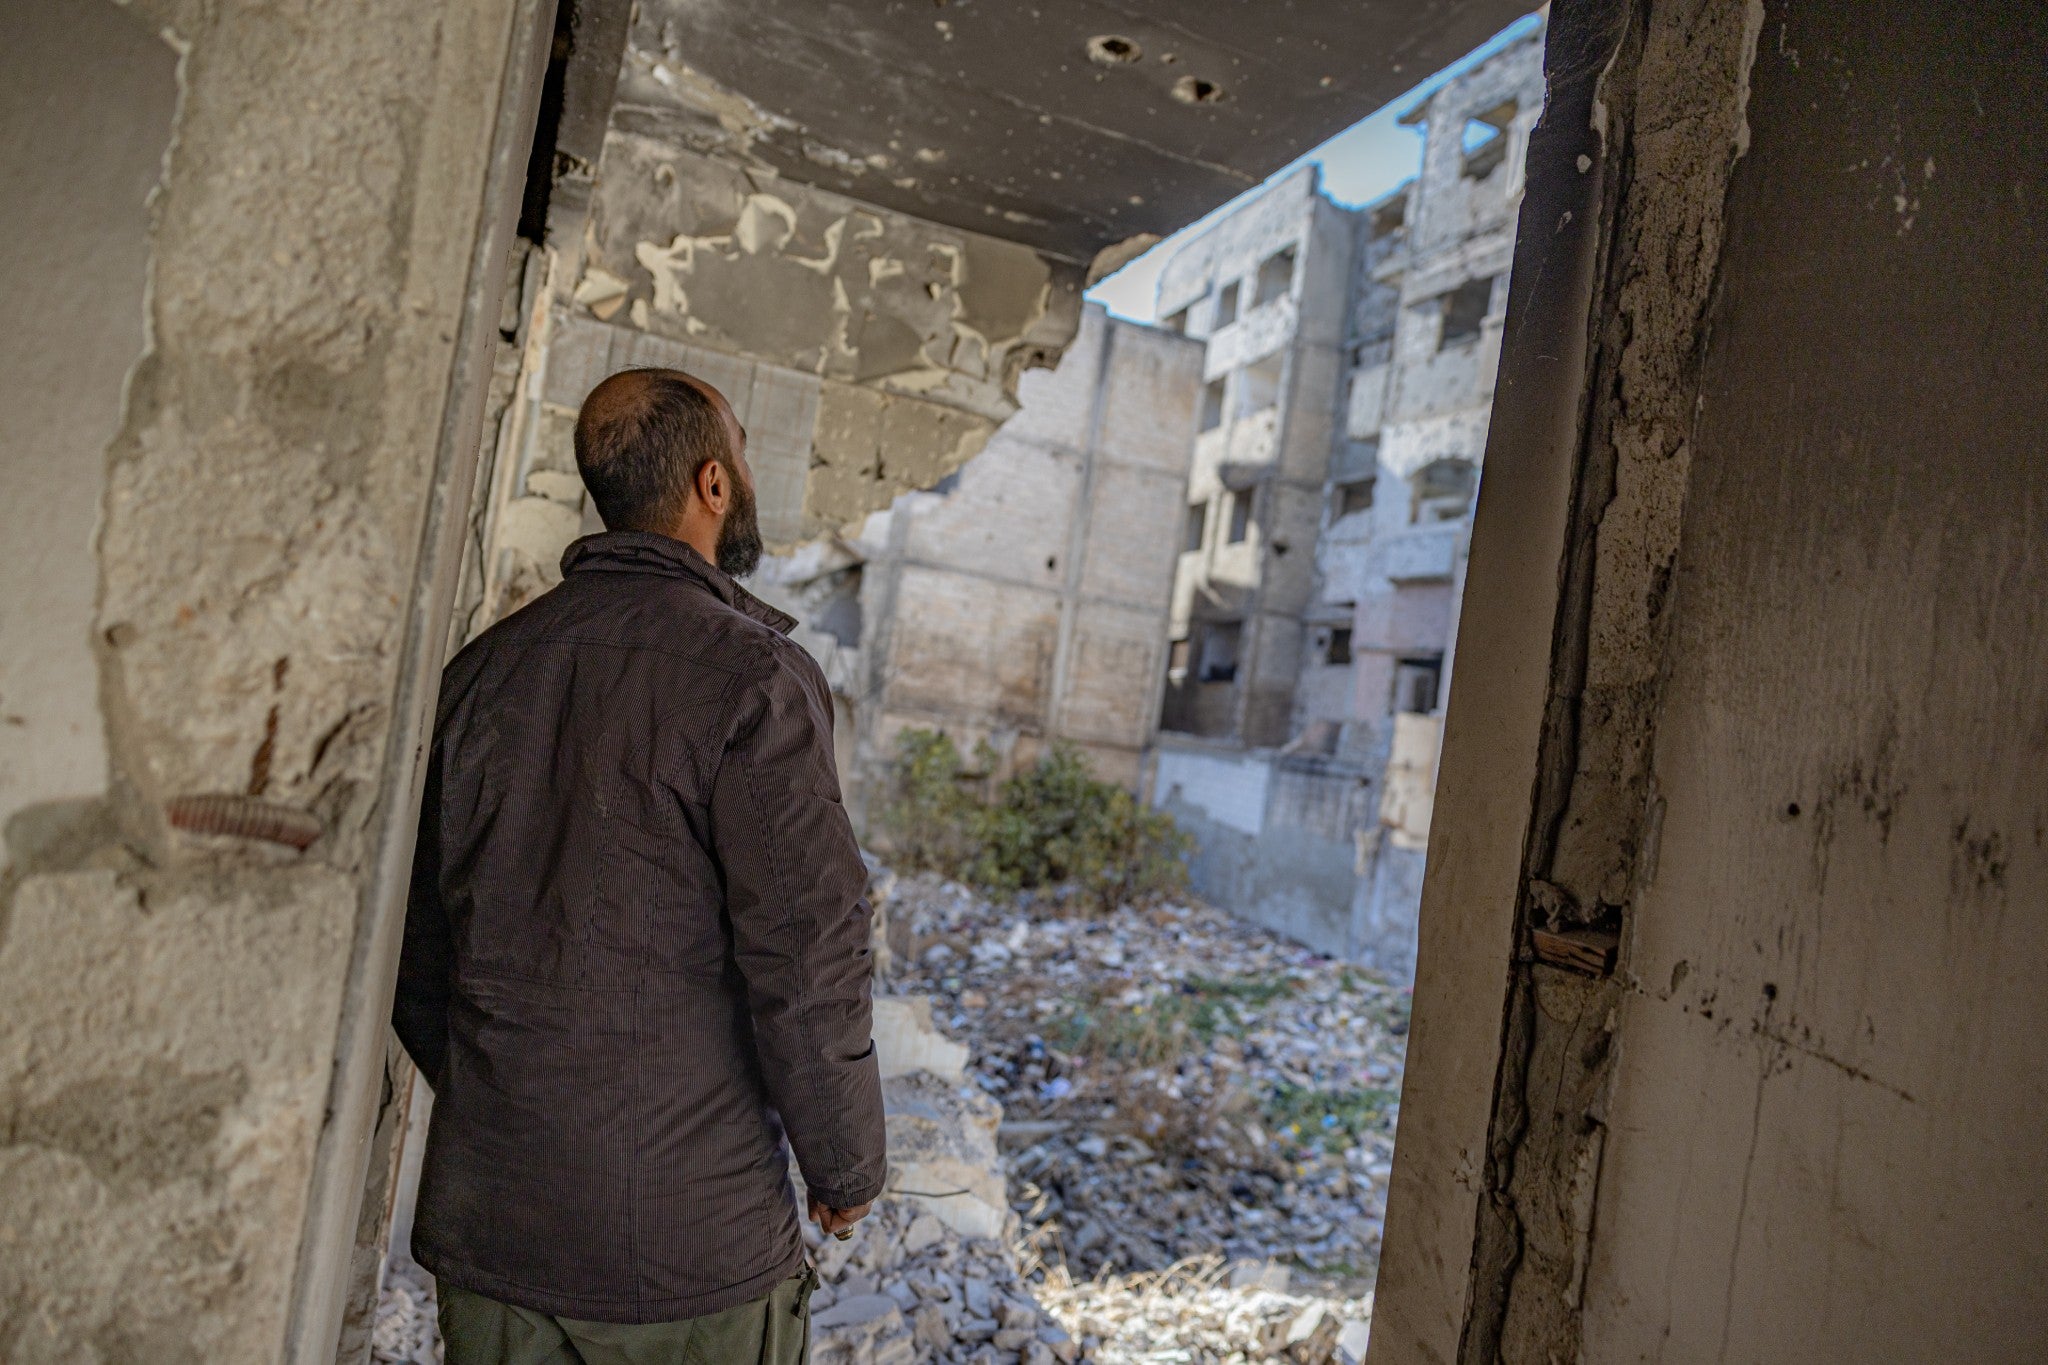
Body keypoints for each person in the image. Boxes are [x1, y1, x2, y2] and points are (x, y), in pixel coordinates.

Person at [393, 368, 885, 1364]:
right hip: (683, 1254)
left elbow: (414, 954)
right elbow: (807, 952)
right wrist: (846, 1164)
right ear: (713, 485)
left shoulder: (480, 674)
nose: (743, 479)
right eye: (741, 458)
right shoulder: (752, 677)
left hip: (494, 1232)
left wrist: (515, 1099)